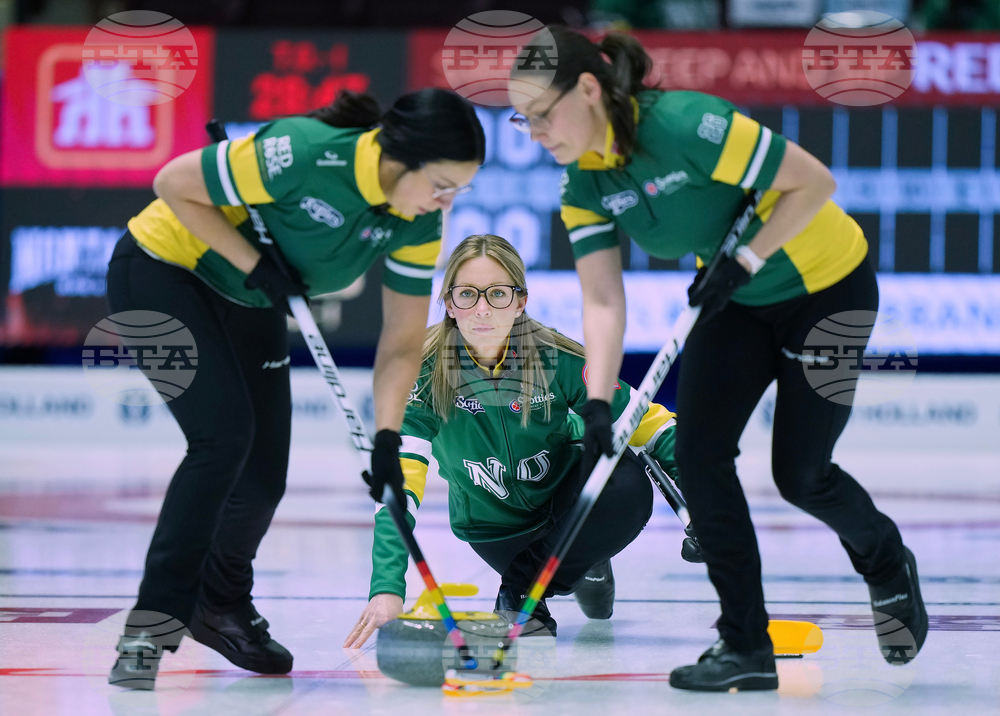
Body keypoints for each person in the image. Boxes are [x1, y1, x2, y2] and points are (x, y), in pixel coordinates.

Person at [510, 28, 927, 691]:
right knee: (701, 456)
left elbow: (813, 183)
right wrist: (596, 403)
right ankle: (745, 645)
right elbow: (603, 303)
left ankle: (883, 561)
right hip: (733, 298)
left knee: (802, 475)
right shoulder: (582, 186)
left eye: (540, 113)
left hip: (828, 287)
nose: (532, 130)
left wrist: (746, 259)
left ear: (588, 89)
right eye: (520, 118)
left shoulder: (687, 124)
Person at [105, 89, 485, 689]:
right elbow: (173, 183)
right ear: (400, 156)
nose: (446, 202)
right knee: (222, 439)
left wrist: (386, 438)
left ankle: (220, 604)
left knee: (262, 476)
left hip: (253, 298)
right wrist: (253, 263)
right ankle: (149, 630)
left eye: (458, 190)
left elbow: (403, 340)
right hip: (163, 270)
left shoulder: (417, 221)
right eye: (441, 184)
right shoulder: (305, 153)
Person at [343, 233, 679, 648]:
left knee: (627, 482)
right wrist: (387, 587)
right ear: (448, 302)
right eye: (467, 294)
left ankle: (540, 579)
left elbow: (649, 424)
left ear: (520, 300)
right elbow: (399, 487)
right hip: (494, 528)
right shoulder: (423, 373)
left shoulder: (554, 354)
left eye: (498, 294)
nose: (482, 309)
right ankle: (577, 566)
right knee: (542, 587)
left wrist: (703, 504)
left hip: (569, 503)